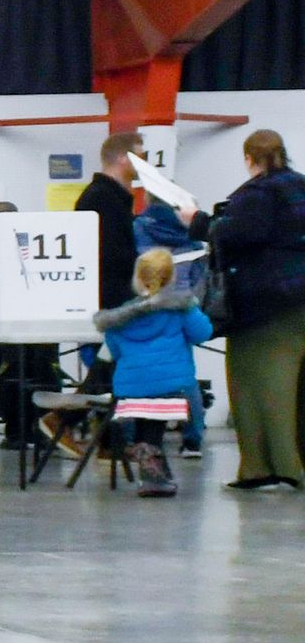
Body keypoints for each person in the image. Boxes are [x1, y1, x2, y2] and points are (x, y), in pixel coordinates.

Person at [210, 127, 305, 492]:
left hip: (266, 308)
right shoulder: (299, 185)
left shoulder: (258, 193)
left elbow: (240, 235)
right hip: (300, 301)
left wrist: (202, 223)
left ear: (249, 158)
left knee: (262, 386)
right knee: (295, 388)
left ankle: (271, 468)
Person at [95, 247, 213, 497]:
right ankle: (152, 474)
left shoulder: (119, 317)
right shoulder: (181, 309)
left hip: (130, 388)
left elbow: (114, 351)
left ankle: (151, 461)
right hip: (172, 388)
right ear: (170, 278)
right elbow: (203, 333)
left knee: (147, 425)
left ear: (137, 279)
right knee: (154, 428)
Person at [81, 130, 144, 309]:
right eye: (140, 157)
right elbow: (112, 255)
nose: (143, 163)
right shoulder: (102, 198)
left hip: (112, 300)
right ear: (123, 158)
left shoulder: (106, 196)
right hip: (110, 304)